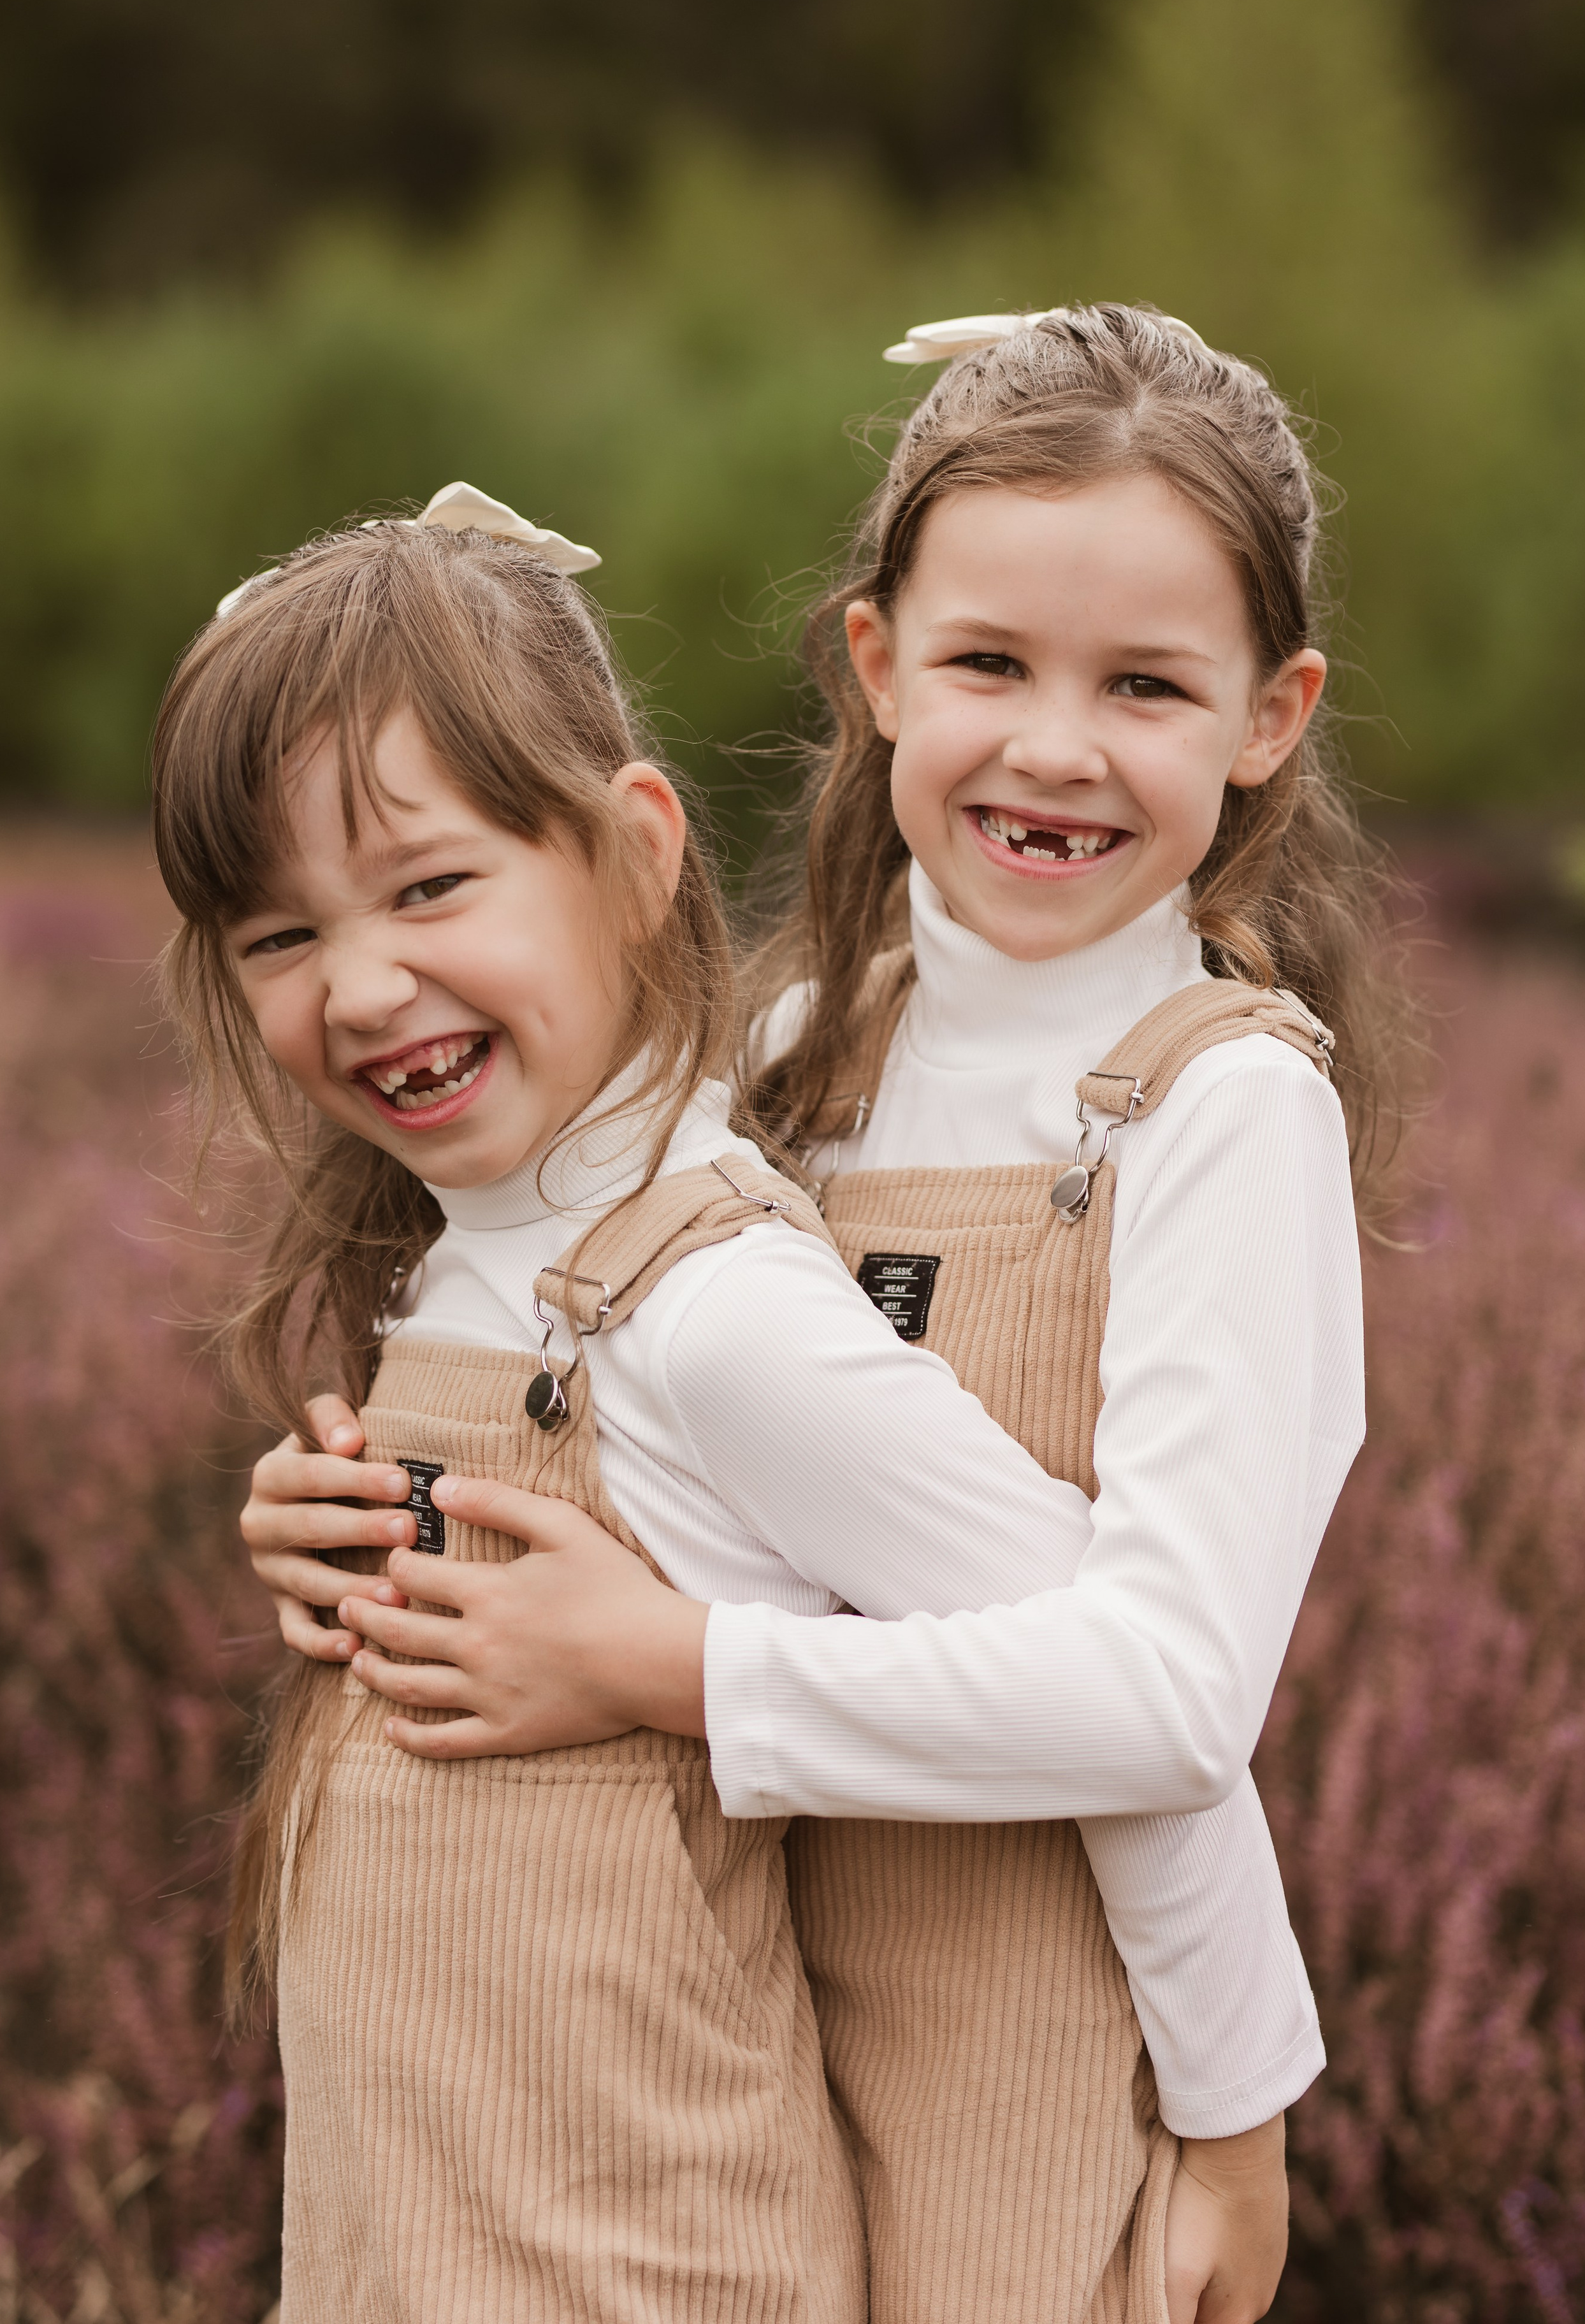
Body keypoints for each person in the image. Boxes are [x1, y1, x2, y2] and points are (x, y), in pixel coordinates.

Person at [236, 297, 1401, 2323]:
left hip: (1040, 2032)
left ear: (1272, 714)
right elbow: (600, 1391)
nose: (1054, 744)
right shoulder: (785, 1056)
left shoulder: (1221, 1110)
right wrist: (360, 1517)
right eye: (987, 663)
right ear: (875, 665)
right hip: (749, 2009)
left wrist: (1233, 2118)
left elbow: (1172, 1698)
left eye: (1146, 684)